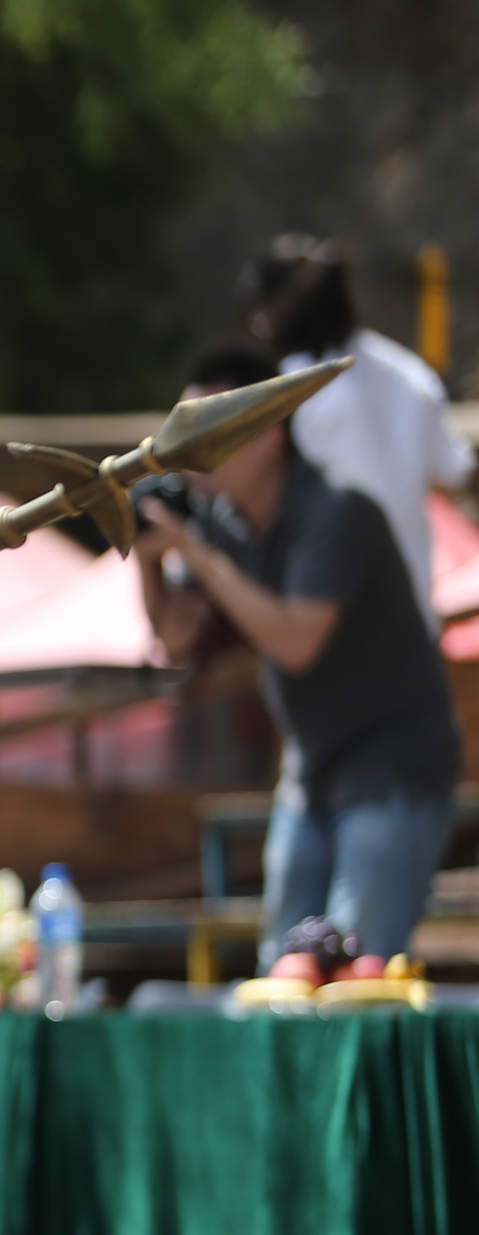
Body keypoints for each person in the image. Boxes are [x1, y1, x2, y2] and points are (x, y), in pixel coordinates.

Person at [138, 346, 462, 964]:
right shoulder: (221, 521)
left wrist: (196, 552)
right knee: (281, 976)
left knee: (352, 981)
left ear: (267, 434)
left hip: (392, 766)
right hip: (311, 773)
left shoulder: (338, 508)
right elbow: (175, 638)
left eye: (208, 431)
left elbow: (296, 642)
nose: (190, 451)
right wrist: (149, 557)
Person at [240, 236, 472, 624]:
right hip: (412, 624)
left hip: (321, 628)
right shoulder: (409, 374)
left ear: (267, 314)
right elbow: (454, 473)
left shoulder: (284, 394)